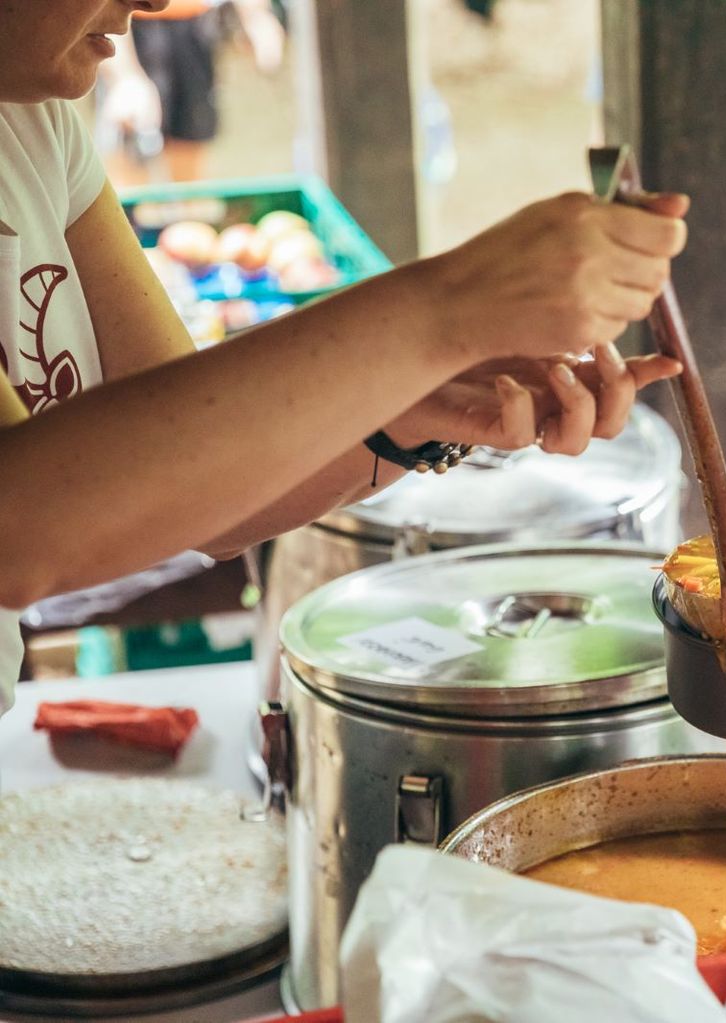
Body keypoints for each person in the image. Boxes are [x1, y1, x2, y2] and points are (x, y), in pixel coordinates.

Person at [0, 0, 690, 715]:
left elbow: (188, 486)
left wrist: (413, 404)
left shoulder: (34, 125)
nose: (151, 1)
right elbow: (17, 531)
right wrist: (448, 305)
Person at [96, 0, 285, 184]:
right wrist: (123, 75)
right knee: (131, 152)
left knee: (189, 162)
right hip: (133, 28)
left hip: (193, 25)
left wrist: (255, 14)